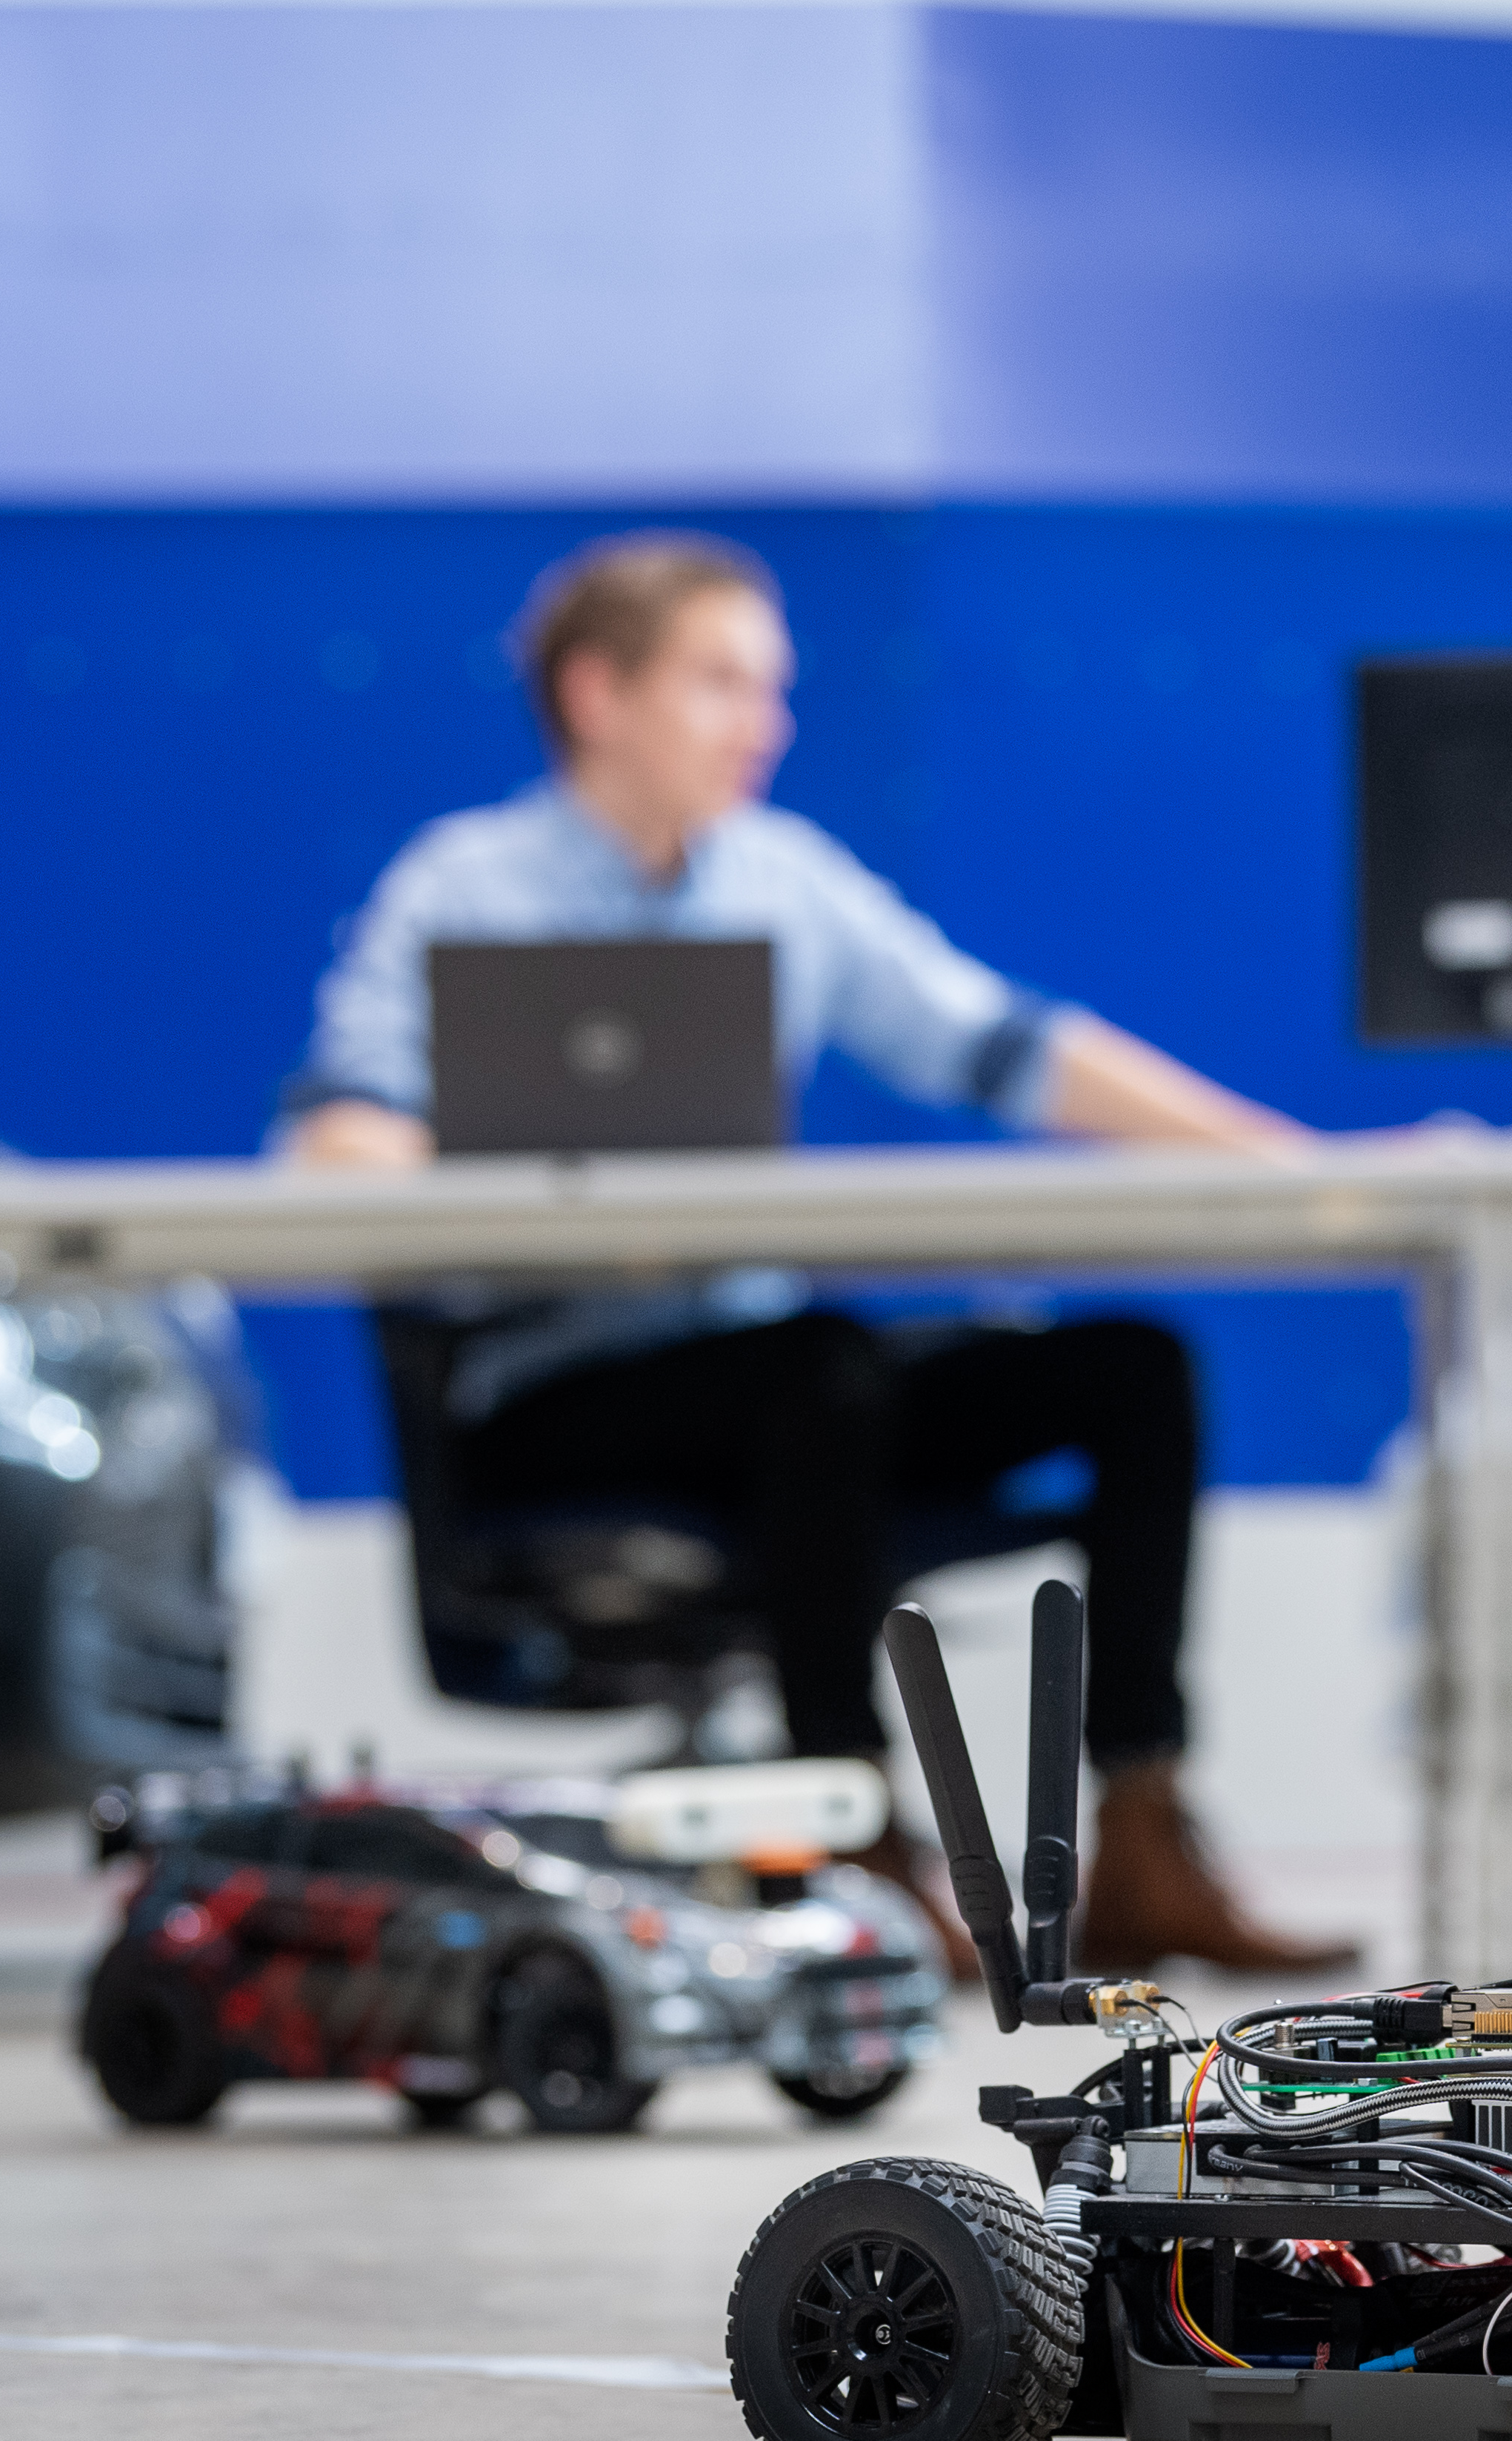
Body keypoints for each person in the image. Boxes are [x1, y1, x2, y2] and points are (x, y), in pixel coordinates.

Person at [281, 531, 1351, 1975]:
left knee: (1128, 1368)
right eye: (723, 683)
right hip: (555, 1396)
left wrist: (1300, 1168)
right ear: (600, 693)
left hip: (773, 1387)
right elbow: (333, 1144)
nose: (765, 724)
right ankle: (850, 1832)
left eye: (770, 690)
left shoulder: (782, 878)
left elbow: (998, 1043)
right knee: (821, 1364)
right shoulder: (462, 886)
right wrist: (524, 1164)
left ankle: (1146, 1831)